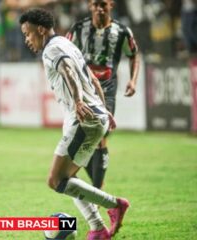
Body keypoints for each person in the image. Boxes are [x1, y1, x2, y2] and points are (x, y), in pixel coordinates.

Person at [19, 8, 129, 239]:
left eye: (28, 34)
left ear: (40, 29)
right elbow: (90, 76)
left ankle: (114, 205)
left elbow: (68, 70)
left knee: (55, 180)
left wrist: (79, 101)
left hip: (83, 119)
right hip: (94, 116)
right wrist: (104, 110)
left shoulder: (52, 48)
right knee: (67, 178)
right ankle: (98, 229)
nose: (26, 40)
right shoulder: (67, 44)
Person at [66, 0, 140, 189]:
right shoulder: (78, 28)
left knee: (99, 136)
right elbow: (64, 53)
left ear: (111, 5)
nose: (100, 8)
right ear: (90, 6)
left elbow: (133, 55)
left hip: (106, 91)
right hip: (82, 92)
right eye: (96, 4)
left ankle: (98, 191)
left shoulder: (122, 31)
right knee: (83, 140)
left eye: (103, 4)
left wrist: (133, 80)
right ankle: (99, 187)